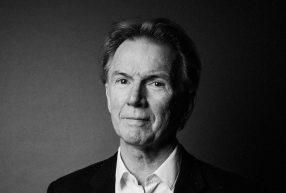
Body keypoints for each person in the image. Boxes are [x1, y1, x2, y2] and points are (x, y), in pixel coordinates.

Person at [47, 18, 263, 193]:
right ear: (107, 94)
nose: (134, 98)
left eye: (156, 83)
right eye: (123, 80)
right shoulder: (64, 190)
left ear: (186, 103)